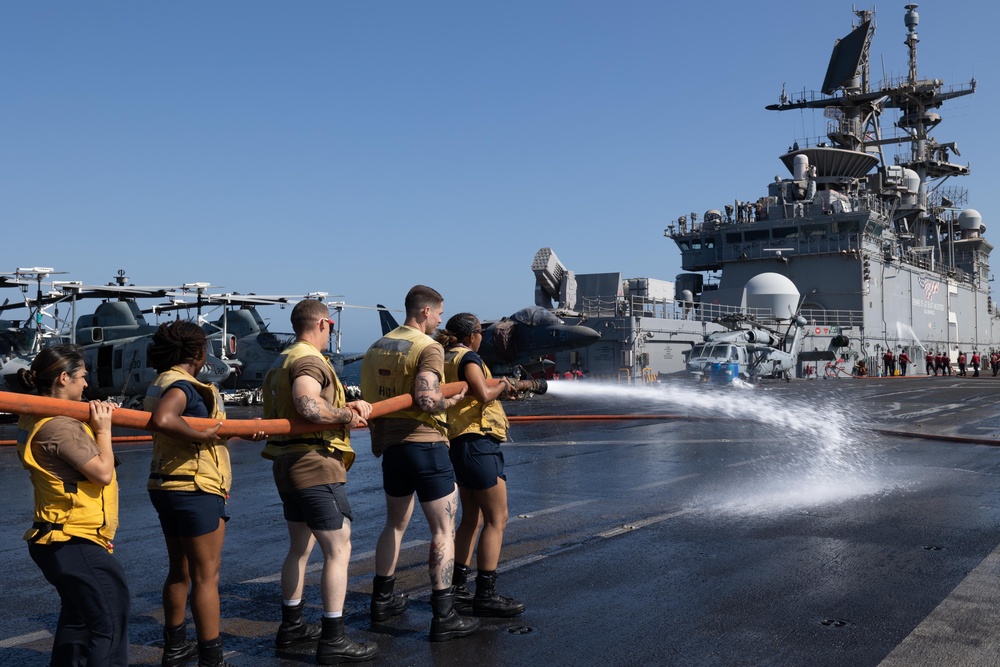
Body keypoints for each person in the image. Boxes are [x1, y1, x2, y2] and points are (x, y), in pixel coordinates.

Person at [260, 299, 379, 664]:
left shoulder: (281, 359)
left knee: (301, 547)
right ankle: (334, 639)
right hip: (314, 464)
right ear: (325, 324)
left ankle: (292, 625)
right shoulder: (309, 360)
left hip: (286, 463)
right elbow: (308, 405)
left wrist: (346, 406)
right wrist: (346, 415)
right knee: (338, 549)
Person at [360, 285, 479, 642]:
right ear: (425, 312)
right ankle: (443, 615)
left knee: (394, 524)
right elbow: (427, 398)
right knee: (442, 530)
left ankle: (382, 600)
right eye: (440, 313)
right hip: (425, 443)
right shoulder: (427, 347)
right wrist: (454, 400)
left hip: (391, 446)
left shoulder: (376, 346)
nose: (442, 319)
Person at [145, 320, 261, 667]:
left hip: (165, 483)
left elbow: (168, 419)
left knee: (179, 570)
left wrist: (222, 432)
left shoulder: (159, 382)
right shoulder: (185, 386)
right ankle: (213, 657)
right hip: (195, 486)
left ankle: (176, 646)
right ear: (197, 353)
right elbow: (166, 419)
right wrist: (203, 437)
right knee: (206, 576)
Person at [15, 345, 129, 666]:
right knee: (110, 624)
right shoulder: (58, 426)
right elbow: (103, 473)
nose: (87, 386)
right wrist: (104, 429)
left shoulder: (36, 414)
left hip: (59, 539)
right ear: (64, 378)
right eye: (81, 378)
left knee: (78, 621)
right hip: (73, 540)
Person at [435, 313, 526, 618]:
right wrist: (502, 384)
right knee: (497, 518)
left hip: (458, 444)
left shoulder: (444, 356)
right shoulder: (468, 357)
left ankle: (458, 588)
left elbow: (471, 395)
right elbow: (485, 394)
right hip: (478, 444)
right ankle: (485, 594)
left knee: (471, 519)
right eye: (480, 333)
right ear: (473, 335)